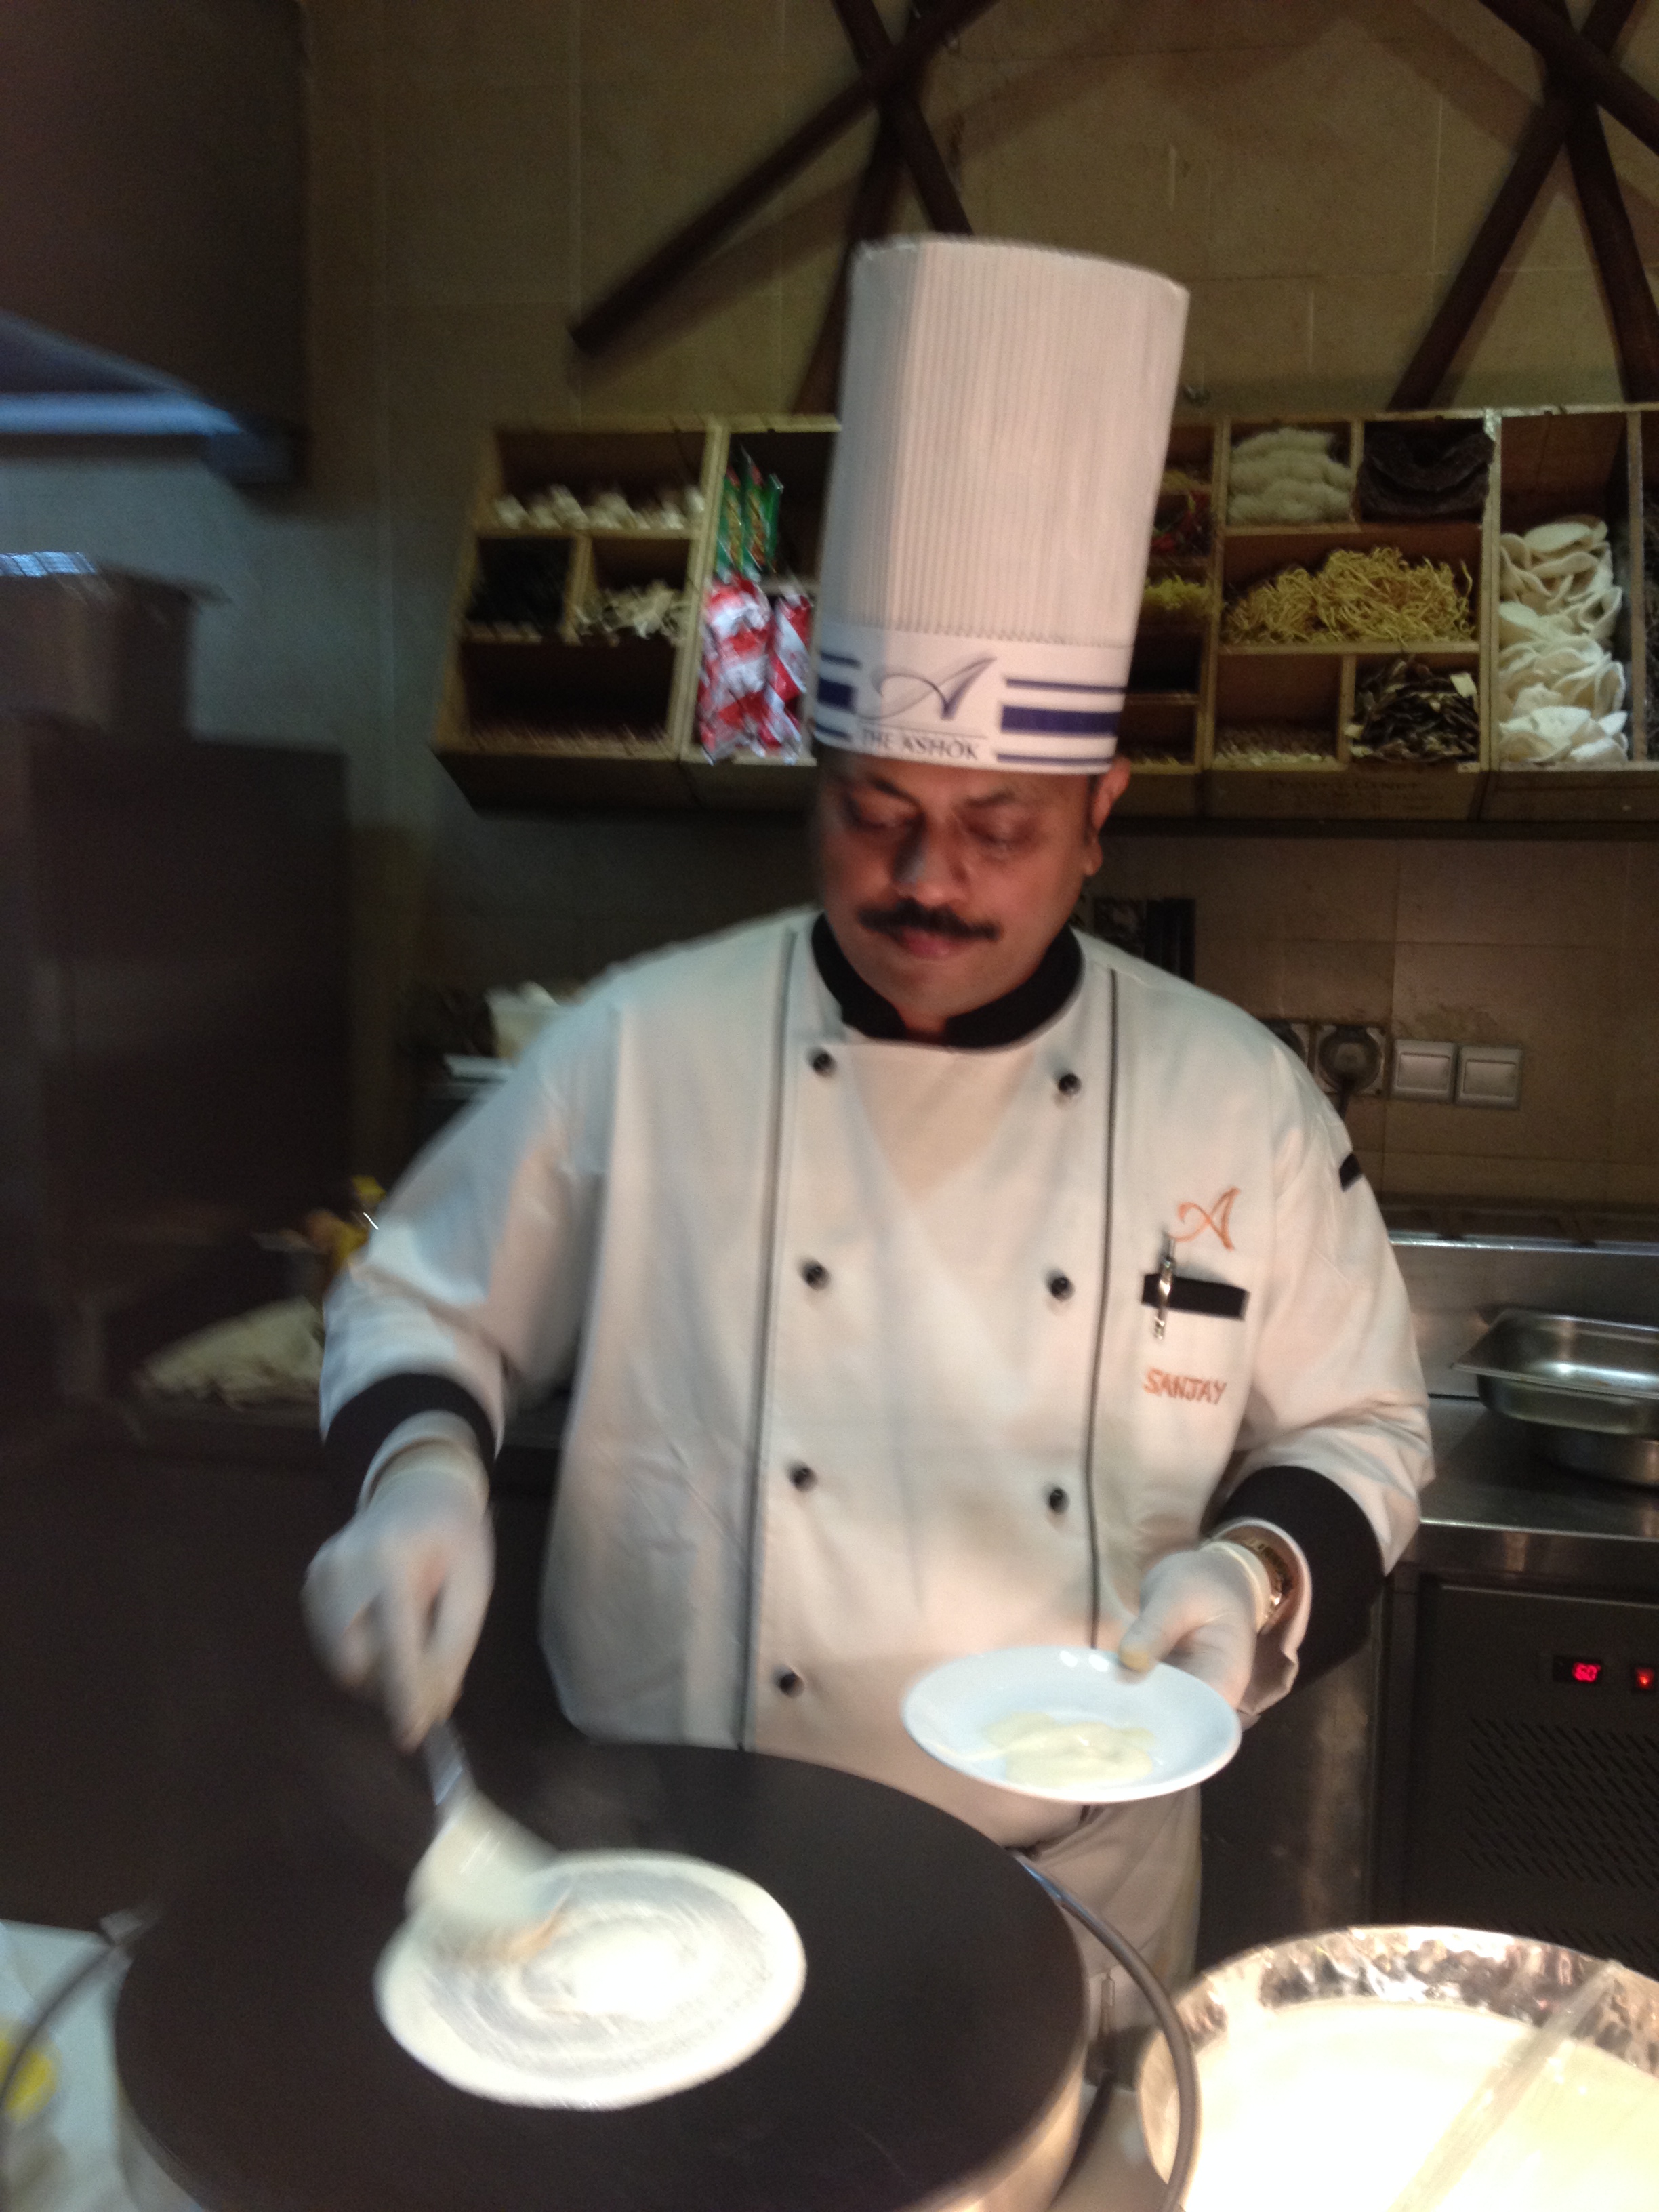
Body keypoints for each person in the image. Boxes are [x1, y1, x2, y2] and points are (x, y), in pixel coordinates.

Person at [304, 238, 1431, 2036]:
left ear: (1100, 816)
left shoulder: (1233, 1099)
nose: (927, 878)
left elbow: (1363, 1424)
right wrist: (420, 1470)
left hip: (1073, 1902)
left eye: (1000, 826)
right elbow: (417, 1302)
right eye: (877, 809)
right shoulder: (639, 1046)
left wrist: (1259, 1567)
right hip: (677, 1874)